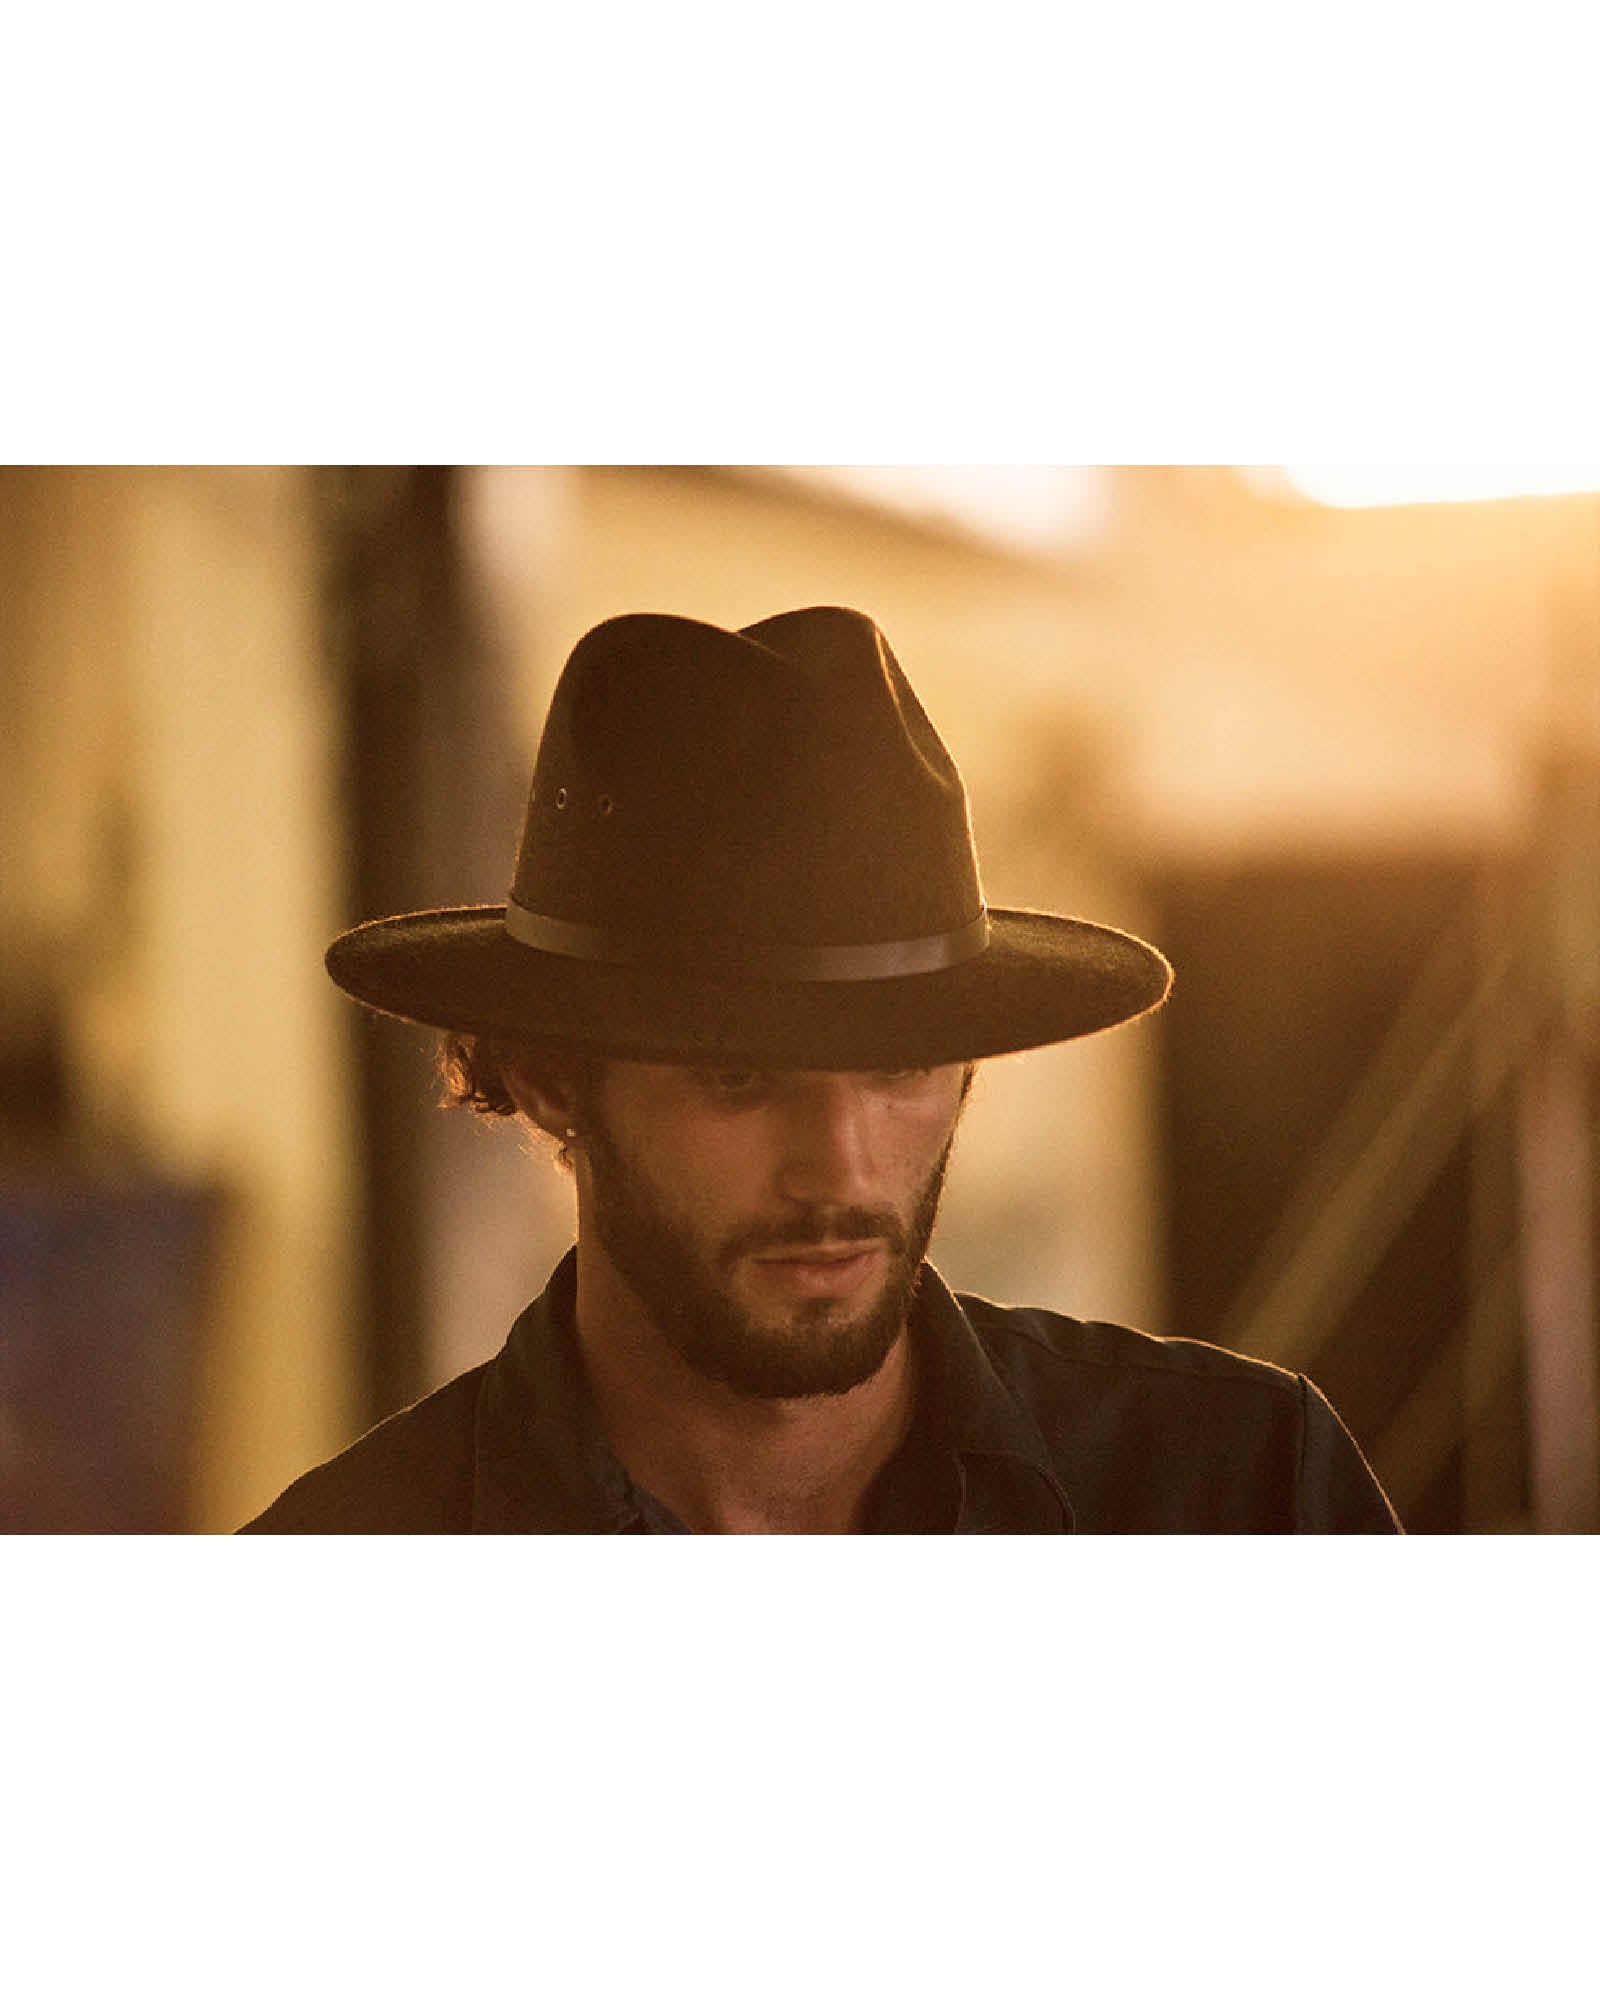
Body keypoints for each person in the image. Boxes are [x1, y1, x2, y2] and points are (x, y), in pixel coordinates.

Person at [242, 606, 1401, 1534]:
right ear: (548, 1078)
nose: (838, 1167)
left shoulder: (1234, 1494)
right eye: (740, 1078)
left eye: (897, 1065)